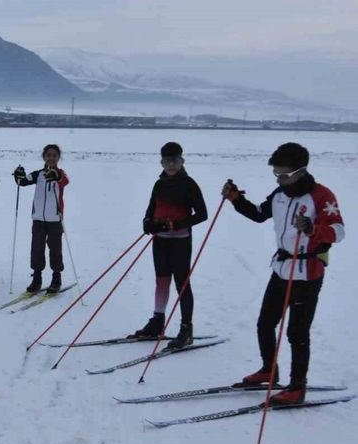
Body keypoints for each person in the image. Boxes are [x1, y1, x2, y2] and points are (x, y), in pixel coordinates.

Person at [223, 142, 344, 405]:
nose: (279, 179)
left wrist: (313, 229)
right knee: (265, 324)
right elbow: (258, 215)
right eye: (276, 174)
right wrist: (236, 199)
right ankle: (269, 370)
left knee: (297, 333)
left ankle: (297, 387)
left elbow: (339, 232)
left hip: (307, 273)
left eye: (284, 174)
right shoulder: (279, 194)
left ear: (301, 171)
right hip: (281, 269)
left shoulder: (321, 196)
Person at [129, 142, 208, 349]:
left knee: (182, 283)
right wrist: (147, 223)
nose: (171, 165)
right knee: (161, 281)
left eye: (175, 160)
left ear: (182, 161)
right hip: (161, 240)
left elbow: (202, 214)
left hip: (181, 241)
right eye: (167, 161)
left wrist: (178, 224)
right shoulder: (159, 184)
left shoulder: (189, 184)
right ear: (162, 162)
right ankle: (157, 321)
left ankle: (186, 328)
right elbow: (151, 208)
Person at [12, 144, 69, 293]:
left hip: (55, 220)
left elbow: (64, 181)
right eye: (48, 155)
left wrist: (56, 176)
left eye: (54, 155)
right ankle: (37, 279)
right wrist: (18, 175)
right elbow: (23, 181)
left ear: (58, 158)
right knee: (37, 248)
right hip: (38, 219)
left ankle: (56, 278)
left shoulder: (61, 174)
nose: (51, 158)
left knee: (55, 249)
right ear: (44, 157)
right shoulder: (38, 174)